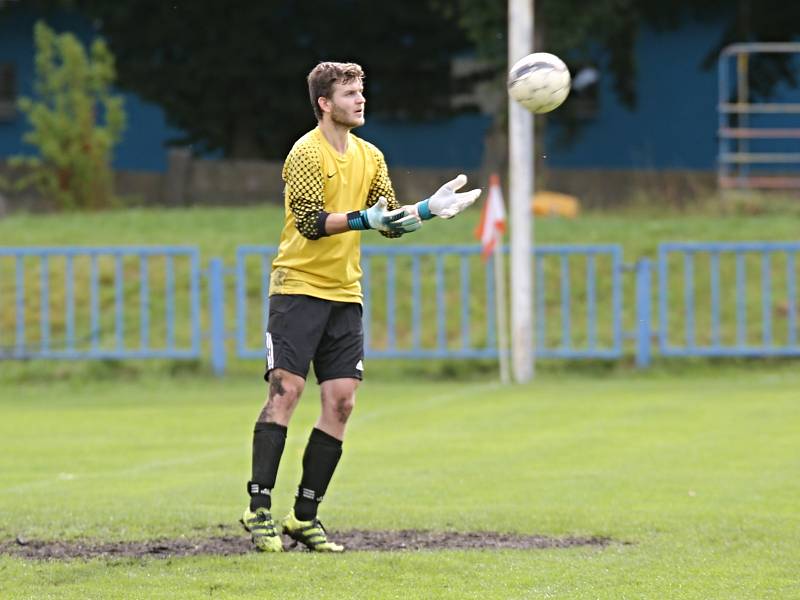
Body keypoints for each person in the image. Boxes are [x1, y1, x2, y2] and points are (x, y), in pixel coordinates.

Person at [241, 61, 481, 553]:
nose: (360, 99)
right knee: (286, 390)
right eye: (349, 92)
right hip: (298, 287)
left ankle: (304, 516)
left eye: (362, 91)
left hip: (344, 293)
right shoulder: (305, 152)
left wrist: (427, 211)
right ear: (325, 103)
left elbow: (385, 222)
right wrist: (362, 218)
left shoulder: (371, 156)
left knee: (342, 402)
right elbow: (309, 221)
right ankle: (259, 508)